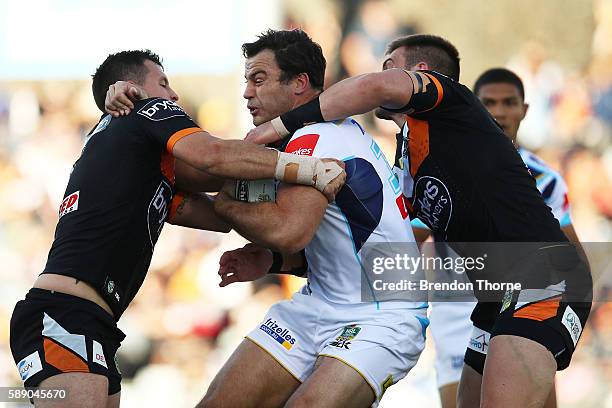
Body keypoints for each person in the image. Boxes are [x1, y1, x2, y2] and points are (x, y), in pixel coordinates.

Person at [246, 34, 593, 408]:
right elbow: (386, 248)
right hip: (498, 292)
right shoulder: (408, 156)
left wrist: (280, 126)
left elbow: (373, 86)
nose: (380, 72)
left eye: (390, 63)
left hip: (542, 277)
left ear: (420, 73)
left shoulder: (449, 101)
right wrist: (279, 262)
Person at [9, 49, 345, 408]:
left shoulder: (133, 159)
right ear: (132, 89)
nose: (173, 96)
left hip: (90, 320)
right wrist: (306, 168)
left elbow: (220, 214)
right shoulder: (145, 109)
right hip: (64, 314)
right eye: (164, 83)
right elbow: (213, 155)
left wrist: (275, 190)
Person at [198, 29, 427, 408]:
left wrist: (224, 204)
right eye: (246, 81)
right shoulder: (294, 141)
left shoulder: (318, 137)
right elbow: (335, 241)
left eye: (259, 79)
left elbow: (289, 231)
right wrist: (270, 260)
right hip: (318, 305)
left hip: (382, 316)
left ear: (300, 84)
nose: (246, 93)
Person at [414, 67, 586, 408]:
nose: (499, 111)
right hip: (457, 307)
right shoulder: (448, 165)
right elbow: (412, 235)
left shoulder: (545, 179)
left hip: (527, 298)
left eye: (509, 102)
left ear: (525, 109)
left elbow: (572, 257)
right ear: (474, 108)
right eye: (488, 102)